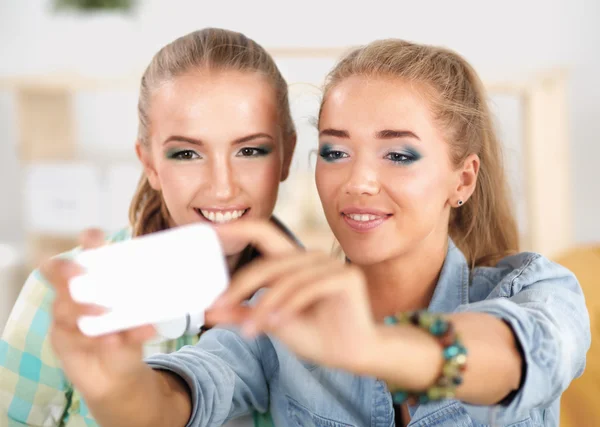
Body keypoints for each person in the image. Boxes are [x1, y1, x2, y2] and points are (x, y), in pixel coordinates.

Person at [43, 39, 589, 427]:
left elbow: (518, 358)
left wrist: (375, 347)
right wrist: (116, 388)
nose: (358, 181)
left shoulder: (536, 289)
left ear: (461, 179)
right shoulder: (281, 317)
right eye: (335, 151)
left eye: (398, 153)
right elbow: (182, 397)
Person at [0, 27, 297, 427]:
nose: (223, 186)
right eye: (187, 153)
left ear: (287, 155)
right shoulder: (67, 299)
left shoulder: (327, 312)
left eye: (249, 150)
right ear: (150, 164)